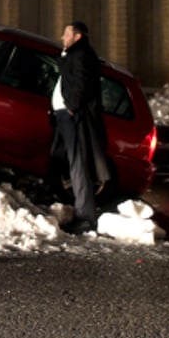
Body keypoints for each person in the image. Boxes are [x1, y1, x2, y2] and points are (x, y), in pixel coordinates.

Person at [50, 21, 113, 233]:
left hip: (73, 117)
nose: (62, 37)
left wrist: (72, 107)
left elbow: (82, 83)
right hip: (66, 116)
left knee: (78, 165)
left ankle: (85, 215)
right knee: (62, 160)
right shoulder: (75, 54)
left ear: (77, 37)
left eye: (66, 33)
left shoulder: (82, 55)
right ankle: (67, 205)